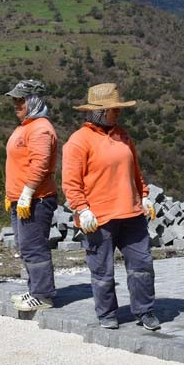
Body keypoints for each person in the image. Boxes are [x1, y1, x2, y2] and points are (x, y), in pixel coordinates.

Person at [61, 83, 161, 331]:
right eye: (112, 109)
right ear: (97, 112)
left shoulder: (124, 136)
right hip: (98, 217)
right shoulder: (78, 141)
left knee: (142, 266)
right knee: (102, 270)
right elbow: (71, 182)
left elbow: (135, 172)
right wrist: (81, 208)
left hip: (132, 213)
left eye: (117, 109)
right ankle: (107, 313)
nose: (117, 113)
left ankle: (144, 311)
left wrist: (144, 195)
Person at [3, 79, 58, 312]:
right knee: (25, 246)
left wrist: (27, 193)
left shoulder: (41, 128)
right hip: (21, 199)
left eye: (21, 100)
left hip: (36, 200)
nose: (16, 104)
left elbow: (40, 164)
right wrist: (12, 194)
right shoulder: (25, 126)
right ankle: (35, 289)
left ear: (33, 101)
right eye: (15, 100)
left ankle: (43, 295)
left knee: (34, 247)